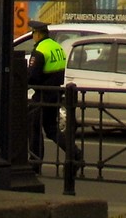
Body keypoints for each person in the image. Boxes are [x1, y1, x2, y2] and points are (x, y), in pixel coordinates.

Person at [25, 20, 79, 166]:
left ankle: (35, 162)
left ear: (37, 33)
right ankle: (75, 153)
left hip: (42, 94)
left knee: (34, 126)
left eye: (33, 33)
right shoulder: (57, 47)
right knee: (51, 129)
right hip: (55, 92)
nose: (32, 36)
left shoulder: (40, 50)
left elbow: (33, 76)